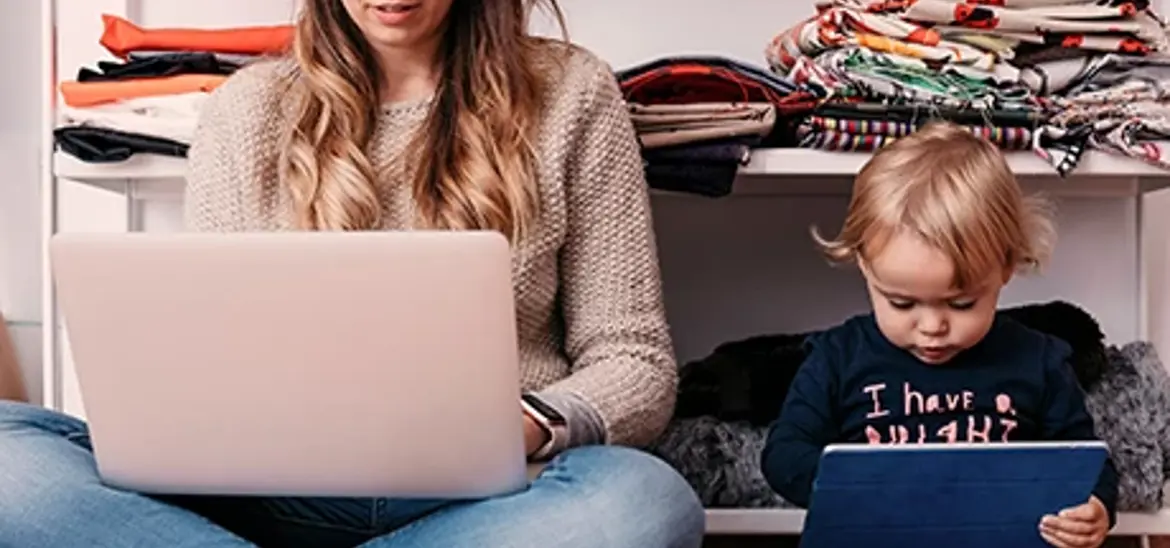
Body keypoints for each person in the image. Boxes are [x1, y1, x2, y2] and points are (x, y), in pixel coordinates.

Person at [0, 0, 706, 546]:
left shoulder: (570, 92)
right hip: (271, 492)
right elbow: (216, 356)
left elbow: (635, 360)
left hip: (490, 498)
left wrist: (521, 426)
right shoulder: (248, 109)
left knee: (644, 502)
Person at [759, 122, 1119, 548]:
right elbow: (784, 453)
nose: (932, 327)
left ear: (1006, 267)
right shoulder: (838, 357)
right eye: (902, 303)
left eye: (961, 304)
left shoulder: (1038, 360)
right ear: (865, 266)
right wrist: (854, 488)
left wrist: (1095, 507)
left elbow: (1084, 458)